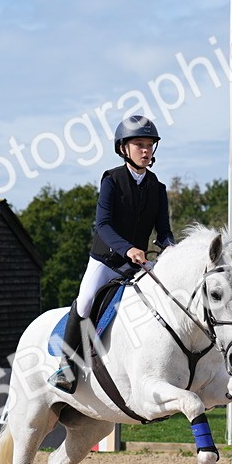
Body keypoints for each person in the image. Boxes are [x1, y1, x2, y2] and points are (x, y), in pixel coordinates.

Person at [49, 115, 177, 392]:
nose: (146, 150)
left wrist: (171, 248)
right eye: (139, 144)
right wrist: (128, 248)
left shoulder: (158, 188)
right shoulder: (112, 180)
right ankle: (66, 367)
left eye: (150, 145)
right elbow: (103, 225)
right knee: (84, 302)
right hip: (107, 260)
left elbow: (163, 230)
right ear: (123, 149)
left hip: (139, 263)